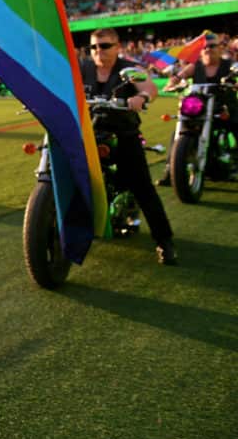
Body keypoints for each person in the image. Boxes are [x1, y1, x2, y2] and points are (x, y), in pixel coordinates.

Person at [81, 28, 177, 265]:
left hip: (122, 133)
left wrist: (141, 98)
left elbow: (150, 89)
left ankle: (164, 242)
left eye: (104, 46)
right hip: (88, 134)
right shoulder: (82, 69)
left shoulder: (129, 69)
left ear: (117, 47)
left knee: (142, 186)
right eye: (94, 47)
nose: (98, 51)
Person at [158, 32, 237, 184]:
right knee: (177, 132)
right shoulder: (195, 66)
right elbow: (180, 76)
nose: (208, 49)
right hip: (199, 107)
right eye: (205, 47)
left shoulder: (229, 65)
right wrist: (173, 82)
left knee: (235, 125)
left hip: (224, 107)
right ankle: (170, 170)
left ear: (220, 48)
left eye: (212, 46)